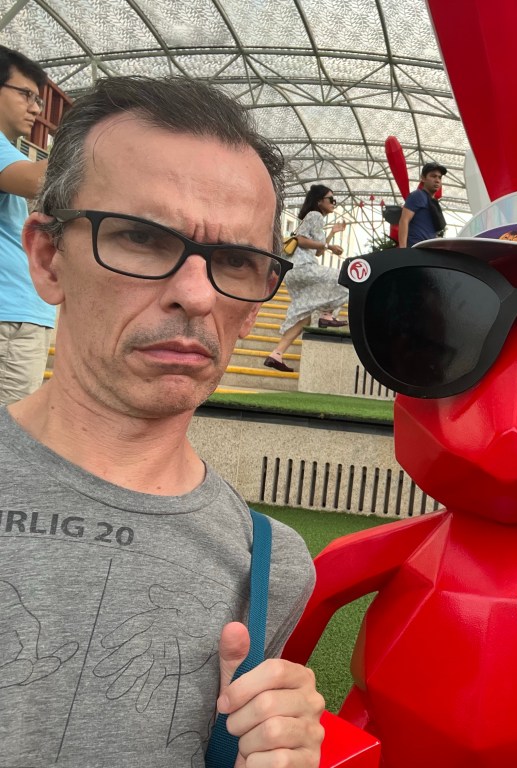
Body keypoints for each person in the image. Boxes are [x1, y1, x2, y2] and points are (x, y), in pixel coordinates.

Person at [1, 76, 324, 766]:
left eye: (236, 260)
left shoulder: (269, 567)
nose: (197, 295)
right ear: (48, 258)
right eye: (143, 239)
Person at [0, 46, 53, 405]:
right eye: (26, 94)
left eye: (39, 99)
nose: (36, 108)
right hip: (9, 315)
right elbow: (39, 181)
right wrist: (91, 135)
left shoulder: (9, 151)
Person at [264, 184, 347, 373]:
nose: (334, 203)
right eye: (331, 199)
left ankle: (276, 354)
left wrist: (332, 234)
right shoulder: (315, 215)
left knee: (305, 316)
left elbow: (317, 251)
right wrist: (329, 247)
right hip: (302, 267)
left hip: (294, 271)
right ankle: (327, 315)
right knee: (344, 279)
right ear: (319, 201)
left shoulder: (314, 219)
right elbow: (301, 240)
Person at [397, 161, 446, 248]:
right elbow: (404, 220)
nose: (437, 180)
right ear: (423, 178)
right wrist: (403, 249)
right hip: (416, 248)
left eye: (440, 177)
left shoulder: (433, 202)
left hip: (427, 249)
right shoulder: (417, 195)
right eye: (433, 176)